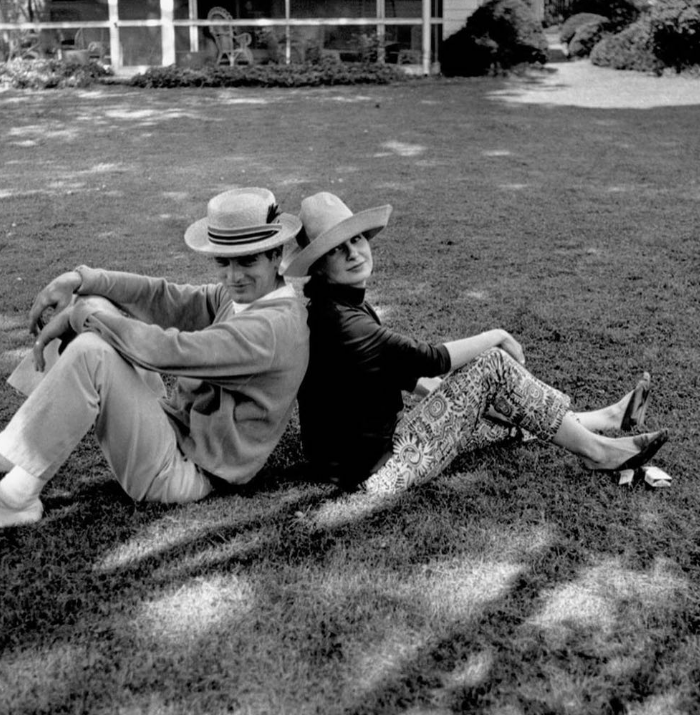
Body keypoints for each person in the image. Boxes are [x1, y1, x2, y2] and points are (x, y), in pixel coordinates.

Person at [0, 187, 309, 535]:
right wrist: (80, 280)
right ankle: (16, 449)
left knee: (93, 349)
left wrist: (77, 317)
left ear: (277, 255)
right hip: (173, 432)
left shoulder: (272, 329)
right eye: (223, 262)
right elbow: (164, 297)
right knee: (97, 306)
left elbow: (166, 352)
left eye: (247, 261)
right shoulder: (248, 297)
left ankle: (13, 501)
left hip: (190, 474)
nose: (232, 276)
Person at [281, 192, 667, 494]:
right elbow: (426, 359)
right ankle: (599, 453)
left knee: (504, 413)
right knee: (492, 365)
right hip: (375, 470)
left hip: (371, 452)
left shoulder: (336, 307)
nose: (353, 253)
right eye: (336, 249)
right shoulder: (341, 322)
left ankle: (608, 419)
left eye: (358, 239)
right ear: (319, 266)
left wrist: (451, 397)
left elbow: (394, 371)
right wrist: (495, 337)